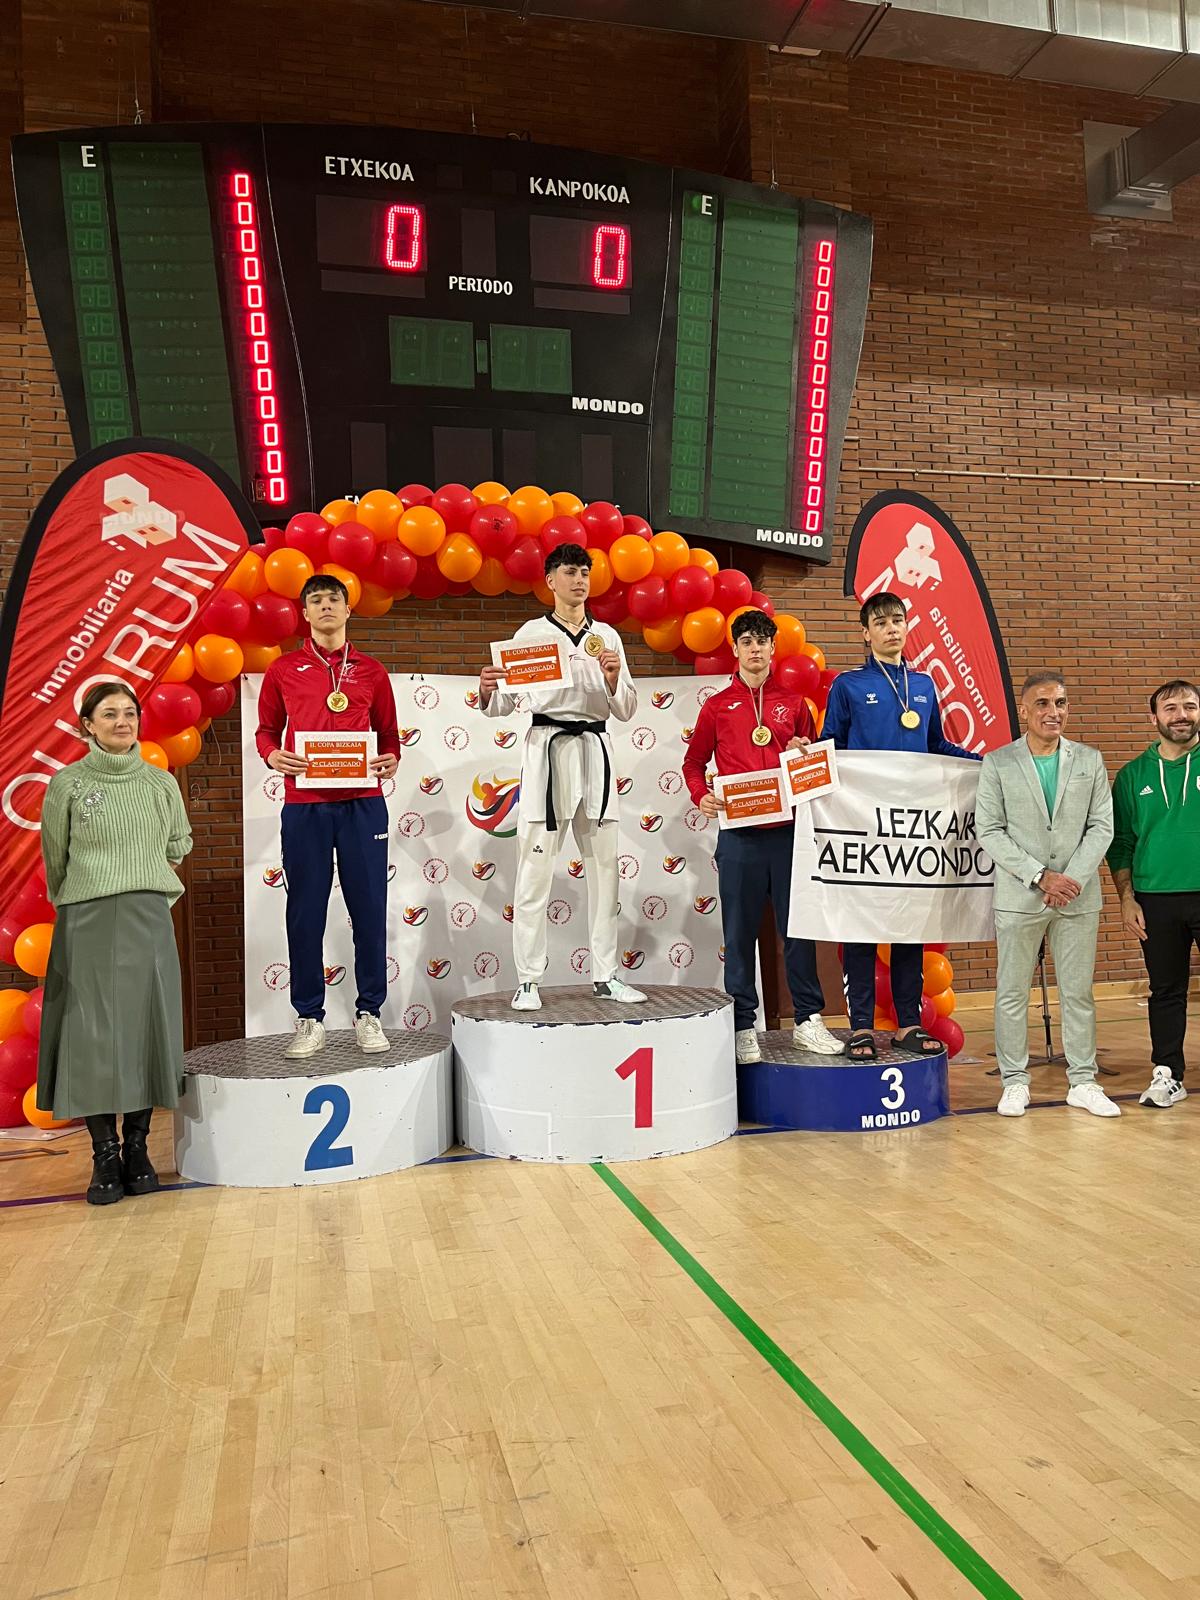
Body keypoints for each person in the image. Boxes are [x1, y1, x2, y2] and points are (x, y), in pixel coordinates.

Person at [35, 682, 193, 1206]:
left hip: (148, 918)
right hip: (87, 919)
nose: (122, 721)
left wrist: (142, 877)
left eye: (130, 712)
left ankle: (138, 1149)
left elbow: (179, 842)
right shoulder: (67, 785)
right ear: (88, 725)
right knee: (91, 1036)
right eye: (109, 714)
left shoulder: (160, 784)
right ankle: (104, 1152)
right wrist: (90, 893)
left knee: (148, 1027)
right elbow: (56, 858)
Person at [478, 542, 646, 1010]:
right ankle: (528, 979)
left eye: (585, 573)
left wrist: (612, 680)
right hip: (547, 753)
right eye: (570, 572)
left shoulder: (606, 637)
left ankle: (606, 974)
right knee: (534, 874)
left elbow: (627, 708)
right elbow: (504, 703)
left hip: (595, 753)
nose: (579, 581)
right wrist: (488, 689)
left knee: (606, 873)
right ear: (550, 581)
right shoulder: (531, 634)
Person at [823, 591, 980, 1062]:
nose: (891, 628)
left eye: (897, 620)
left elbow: (937, 746)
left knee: (910, 924)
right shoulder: (848, 685)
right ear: (865, 633)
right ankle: (860, 1027)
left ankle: (909, 1023)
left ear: (906, 627)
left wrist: (986, 762)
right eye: (881, 622)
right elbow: (830, 746)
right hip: (863, 822)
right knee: (860, 926)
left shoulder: (925, 684)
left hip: (911, 824)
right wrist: (802, 755)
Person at [682, 609, 844, 1064]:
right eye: (747, 642)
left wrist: (804, 752)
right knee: (739, 936)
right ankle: (741, 1026)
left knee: (798, 932)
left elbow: (815, 768)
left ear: (774, 648)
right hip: (739, 838)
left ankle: (808, 1020)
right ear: (735, 649)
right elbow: (693, 763)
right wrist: (701, 796)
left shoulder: (795, 704)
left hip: (789, 836)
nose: (755, 649)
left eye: (762, 641)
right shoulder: (717, 706)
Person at [256, 574, 400, 1058]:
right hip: (305, 806)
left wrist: (392, 759)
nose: (325, 607)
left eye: (333, 599)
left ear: (347, 609)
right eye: (315, 601)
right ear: (305, 613)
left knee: (369, 910)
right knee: (305, 912)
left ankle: (369, 1013)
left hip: (363, 804)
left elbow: (389, 735)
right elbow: (266, 731)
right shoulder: (283, 669)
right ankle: (308, 1017)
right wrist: (272, 756)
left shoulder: (372, 671)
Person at [975, 673, 1118, 1117]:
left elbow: (1102, 827)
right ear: (1023, 711)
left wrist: (1069, 879)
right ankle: (1015, 1082)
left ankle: (1083, 1081)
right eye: (1042, 703)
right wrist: (1040, 877)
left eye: (1060, 703)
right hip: (1021, 896)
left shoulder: (1090, 760)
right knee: (1012, 993)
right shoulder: (998, 763)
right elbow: (989, 830)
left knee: (1078, 993)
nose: (1053, 712)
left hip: (1077, 896)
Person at [1108, 679, 1200, 1108]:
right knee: (1166, 991)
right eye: (1171, 708)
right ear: (1154, 718)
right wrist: (1126, 898)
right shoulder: (1132, 775)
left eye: (1189, 706)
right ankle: (1168, 1074)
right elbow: (1121, 842)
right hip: (1155, 898)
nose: (1181, 715)